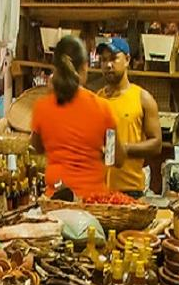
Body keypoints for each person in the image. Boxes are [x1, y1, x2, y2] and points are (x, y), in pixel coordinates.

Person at [29, 35, 124, 199]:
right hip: (93, 202)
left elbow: (37, 147)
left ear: (55, 69)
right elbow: (115, 158)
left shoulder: (42, 107)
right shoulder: (102, 108)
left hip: (55, 202)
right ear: (85, 67)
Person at [96, 37, 162, 197]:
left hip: (130, 190)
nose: (108, 65)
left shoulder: (142, 98)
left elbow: (156, 144)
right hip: (98, 190)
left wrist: (123, 149)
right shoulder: (97, 99)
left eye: (113, 58)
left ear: (127, 60)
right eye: (103, 60)